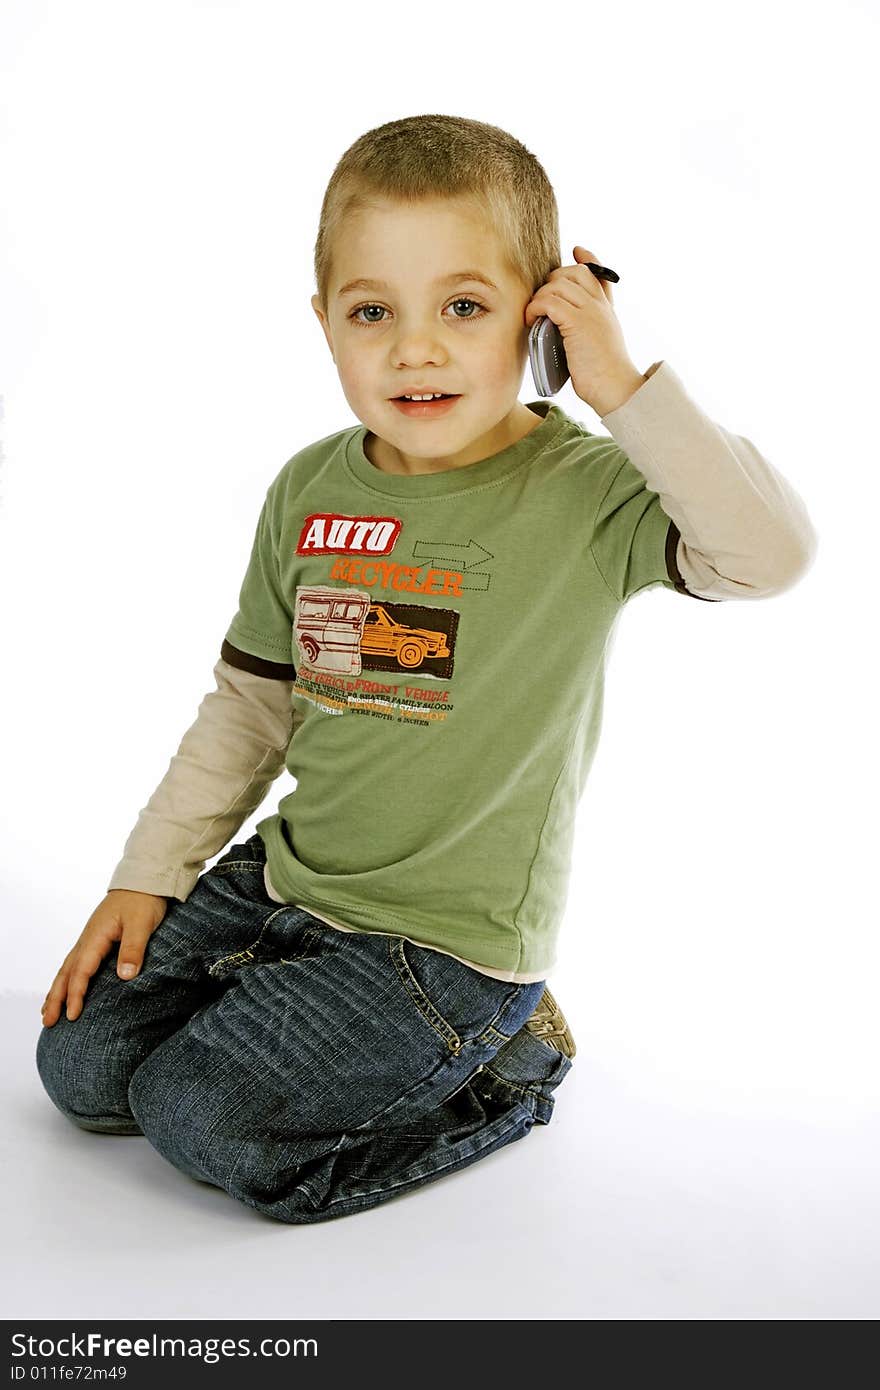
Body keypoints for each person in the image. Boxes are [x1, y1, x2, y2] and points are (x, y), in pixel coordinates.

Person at [36, 114, 817, 1225]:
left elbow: (769, 555)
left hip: (440, 945)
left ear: (540, 312)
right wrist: (149, 873)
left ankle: (504, 1067)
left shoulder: (587, 491)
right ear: (325, 323)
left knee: (197, 1116)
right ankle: (296, 1010)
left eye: (464, 306)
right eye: (371, 312)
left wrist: (621, 384)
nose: (416, 348)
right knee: (82, 1066)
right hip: (289, 886)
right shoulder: (310, 487)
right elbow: (251, 709)